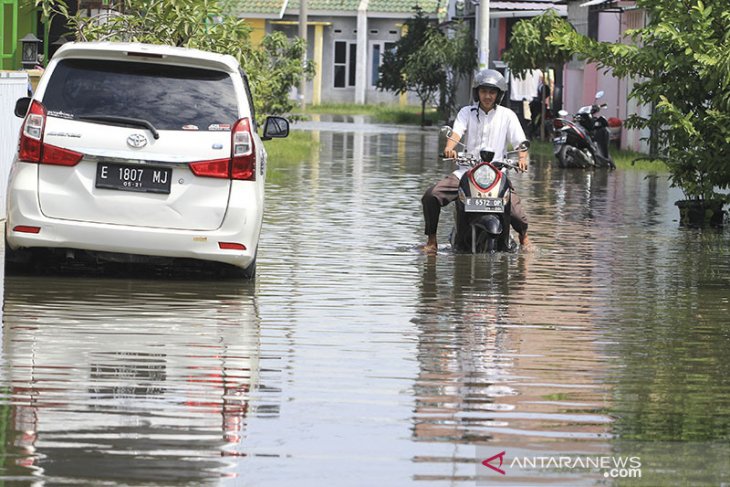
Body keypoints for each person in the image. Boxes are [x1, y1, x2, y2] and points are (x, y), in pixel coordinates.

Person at [420, 68, 532, 254]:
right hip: (466, 171)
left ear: (499, 95)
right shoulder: (466, 112)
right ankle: (432, 240)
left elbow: (520, 142)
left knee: (517, 215)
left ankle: (524, 237)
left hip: (497, 174)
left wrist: (522, 159)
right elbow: (456, 133)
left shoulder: (508, 116)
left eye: (492, 92)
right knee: (431, 196)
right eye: (484, 91)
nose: (487, 96)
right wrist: (450, 148)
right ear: (477, 92)